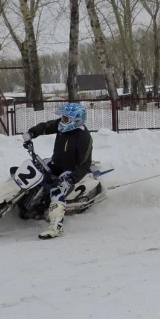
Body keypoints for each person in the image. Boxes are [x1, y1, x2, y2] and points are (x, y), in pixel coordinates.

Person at [21, 102, 92, 239]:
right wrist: (32, 133)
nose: (62, 120)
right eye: (62, 117)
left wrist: (71, 179)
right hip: (55, 163)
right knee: (35, 172)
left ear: (76, 120)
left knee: (56, 191)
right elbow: (46, 126)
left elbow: (85, 164)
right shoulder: (62, 126)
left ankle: (56, 226)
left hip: (70, 170)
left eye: (66, 118)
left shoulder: (84, 138)